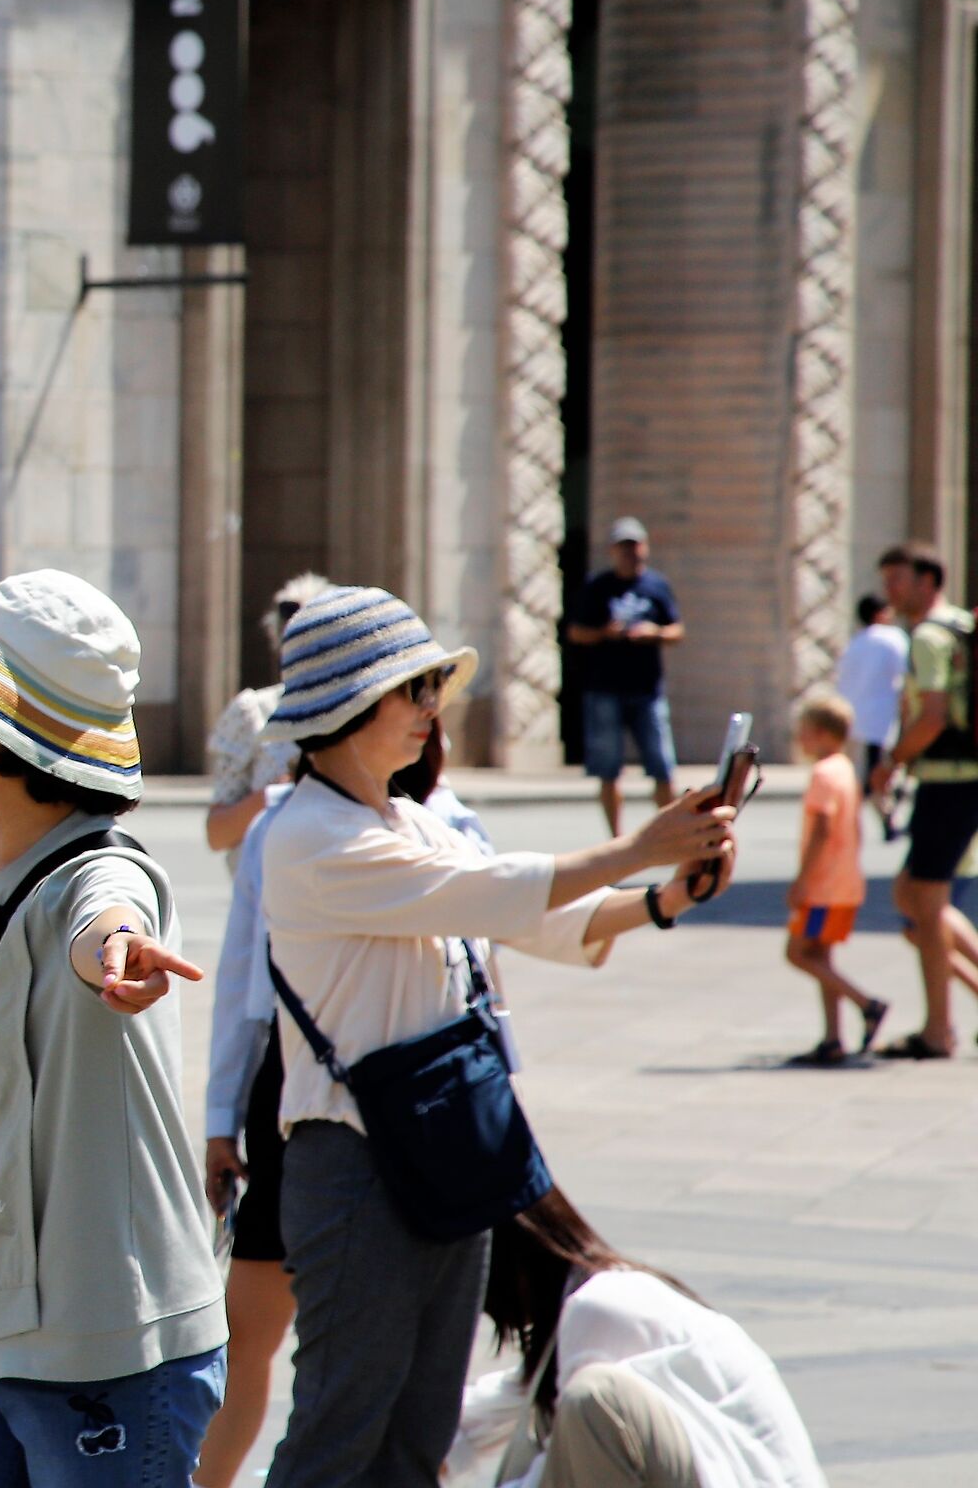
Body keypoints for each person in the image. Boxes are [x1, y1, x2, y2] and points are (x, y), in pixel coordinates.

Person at [257, 585, 736, 1488]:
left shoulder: (407, 817)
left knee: (421, 1428)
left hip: (440, 1141)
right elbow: (502, 892)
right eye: (417, 688)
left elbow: (528, 918)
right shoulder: (308, 835)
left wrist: (667, 897)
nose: (433, 708)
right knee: (341, 1428)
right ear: (352, 700)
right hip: (355, 1163)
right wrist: (643, 848)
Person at [0, 569, 226, 1483]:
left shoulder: (96, 874)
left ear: (6, 728)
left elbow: (106, 917)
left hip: (104, 1343)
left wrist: (119, 953)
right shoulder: (0, 863)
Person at [195, 724, 505, 1488]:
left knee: (411, 1380)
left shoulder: (452, 826)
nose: (422, 719)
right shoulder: (290, 826)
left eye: (429, 700)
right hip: (304, 1091)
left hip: (435, 1103)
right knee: (261, 1339)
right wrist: (220, 1115)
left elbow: (487, 987)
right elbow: (244, 977)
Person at [482, 1188, 824, 1488]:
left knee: (592, 1400)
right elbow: (505, 1400)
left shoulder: (598, 1306)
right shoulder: (610, 1293)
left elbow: (564, 1467)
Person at [871, 540, 978, 1059]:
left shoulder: (930, 638)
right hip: (960, 777)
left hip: (948, 779)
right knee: (911, 894)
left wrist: (892, 759)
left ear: (928, 582)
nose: (890, 591)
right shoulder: (962, 625)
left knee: (926, 904)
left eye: (899, 580)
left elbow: (931, 716)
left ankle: (939, 1030)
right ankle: (942, 1022)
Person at [783, 691, 886, 1068]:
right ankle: (832, 1038)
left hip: (823, 885)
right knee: (821, 957)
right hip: (843, 882)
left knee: (797, 953)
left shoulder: (824, 773)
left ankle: (866, 1004)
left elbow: (823, 828)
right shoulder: (845, 768)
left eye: (803, 732)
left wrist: (802, 881)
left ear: (823, 733)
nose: (800, 740)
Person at [205, 572, 330, 871]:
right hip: (262, 893)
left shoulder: (364, 711)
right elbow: (217, 833)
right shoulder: (254, 711)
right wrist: (278, 793)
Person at [569, 517, 684, 836]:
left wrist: (654, 633)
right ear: (613, 551)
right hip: (605, 688)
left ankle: (669, 834)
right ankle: (616, 839)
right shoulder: (598, 587)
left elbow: (678, 630)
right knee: (609, 770)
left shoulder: (656, 586)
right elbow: (576, 632)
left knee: (662, 766)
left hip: (647, 689)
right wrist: (605, 633)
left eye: (635, 546)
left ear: (644, 548)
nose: (630, 553)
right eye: (623, 547)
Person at [833, 592, 906, 806]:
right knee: (880, 770)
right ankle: (882, 808)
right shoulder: (892, 638)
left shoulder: (855, 643)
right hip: (882, 716)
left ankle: (878, 808)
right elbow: (904, 673)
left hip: (855, 715)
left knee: (863, 770)